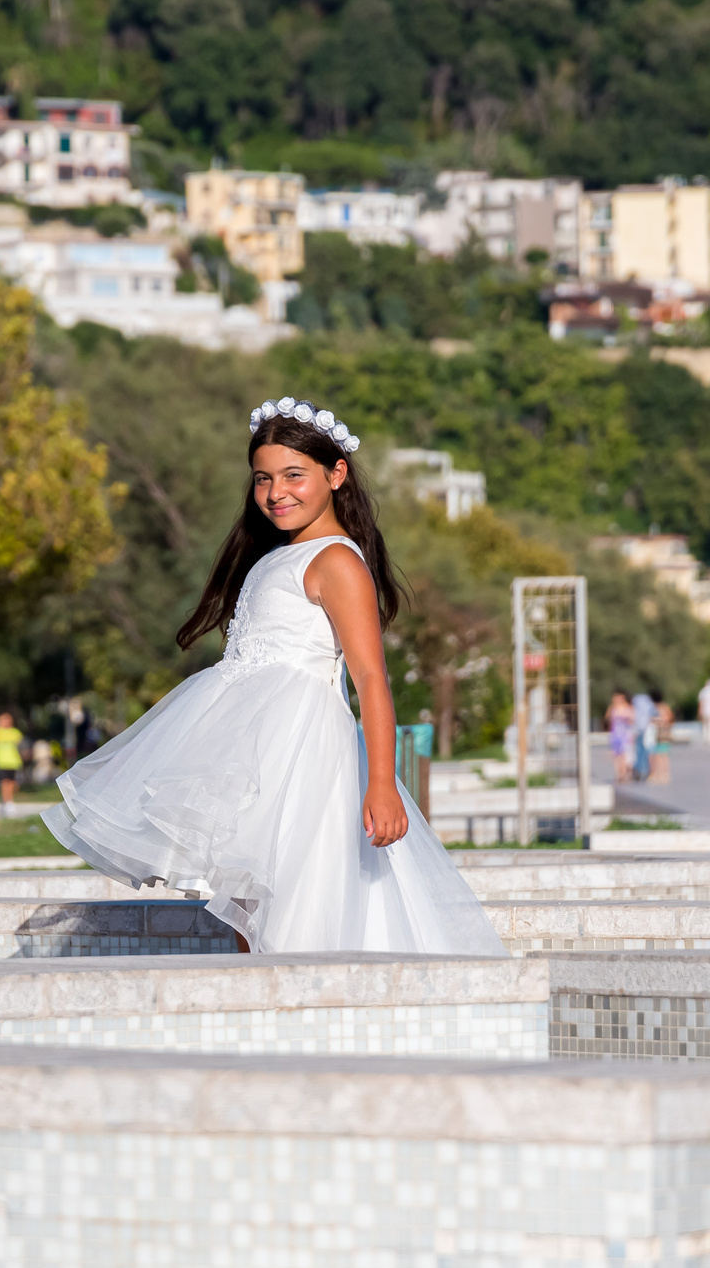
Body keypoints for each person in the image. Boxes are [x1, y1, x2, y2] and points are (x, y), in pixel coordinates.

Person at [43, 394, 504, 957]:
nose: (276, 492)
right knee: (248, 893)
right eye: (263, 479)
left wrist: (381, 782)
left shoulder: (337, 561)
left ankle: (302, 1004)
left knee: (297, 889)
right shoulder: (274, 558)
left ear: (337, 475)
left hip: (304, 752)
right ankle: (260, 1007)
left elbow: (371, 679)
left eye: (293, 475)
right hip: (256, 750)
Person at [0, 710, 27, 817]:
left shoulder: (14, 732)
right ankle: (7, 802)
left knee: (12, 783)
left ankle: (8, 800)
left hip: (13, 761)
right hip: (2, 762)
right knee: (5, 782)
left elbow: (21, 744)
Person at [605, 691, 637, 784]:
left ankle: (623, 774)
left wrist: (624, 717)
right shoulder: (612, 708)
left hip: (624, 734)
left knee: (623, 755)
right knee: (616, 755)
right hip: (615, 734)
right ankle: (618, 774)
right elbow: (607, 718)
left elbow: (632, 720)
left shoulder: (628, 708)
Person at [631, 689, 658, 781]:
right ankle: (644, 770)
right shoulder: (649, 704)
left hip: (637, 729)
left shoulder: (636, 703)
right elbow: (654, 715)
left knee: (638, 751)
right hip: (646, 730)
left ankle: (638, 768)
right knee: (645, 751)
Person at [647, 699, 674, 783]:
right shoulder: (658, 710)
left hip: (663, 738)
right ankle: (658, 773)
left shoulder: (664, 710)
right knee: (658, 756)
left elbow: (668, 720)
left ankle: (665, 774)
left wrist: (660, 721)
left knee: (664, 756)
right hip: (657, 738)